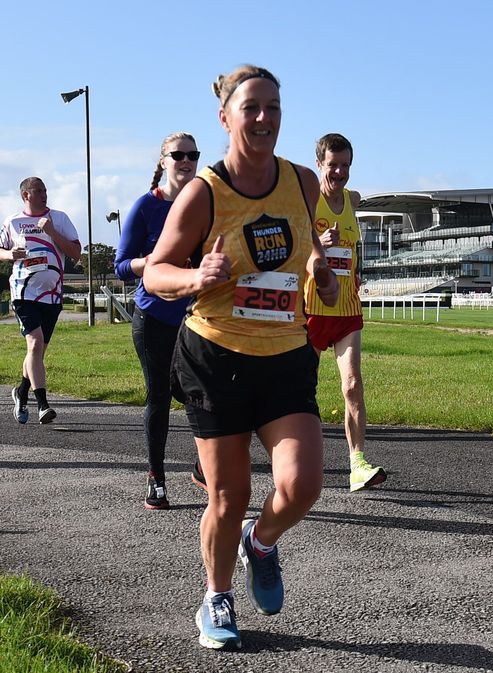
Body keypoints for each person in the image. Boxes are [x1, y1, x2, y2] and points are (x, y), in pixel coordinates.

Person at [144, 64, 340, 651]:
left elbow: (305, 256)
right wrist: (195, 275)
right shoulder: (205, 192)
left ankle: (263, 541)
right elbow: (156, 271)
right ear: (225, 116)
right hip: (216, 357)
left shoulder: (303, 183)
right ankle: (217, 595)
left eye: (273, 108)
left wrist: (319, 274)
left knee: (303, 485)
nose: (263, 119)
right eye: (251, 108)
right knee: (228, 497)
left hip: (285, 355)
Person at [114, 133, 200, 510]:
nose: (186, 160)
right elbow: (121, 266)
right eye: (178, 154)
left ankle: (204, 467)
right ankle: (156, 478)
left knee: (206, 395)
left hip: (195, 318)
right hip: (154, 317)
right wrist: (148, 263)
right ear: (163, 161)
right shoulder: (146, 207)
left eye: (192, 154)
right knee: (160, 397)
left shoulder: (203, 204)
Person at [304, 133, 386, 492]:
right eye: (333, 165)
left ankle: (357, 464)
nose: (339, 172)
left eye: (346, 165)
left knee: (353, 385)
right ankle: (299, 463)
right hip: (309, 310)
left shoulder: (352, 200)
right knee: (298, 391)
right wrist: (317, 245)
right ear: (319, 163)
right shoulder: (308, 200)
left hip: (348, 310)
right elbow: (293, 248)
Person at [1, 177, 82, 425]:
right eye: (39, 191)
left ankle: (21, 391)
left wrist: (52, 232)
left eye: (46, 190)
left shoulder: (59, 218)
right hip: (24, 292)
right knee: (35, 344)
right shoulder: (13, 222)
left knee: (37, 352)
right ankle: (43, 406)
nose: (45, 194)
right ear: (26, 195)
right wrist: (8, 255)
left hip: (52, 294)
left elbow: (76, 254)